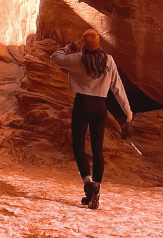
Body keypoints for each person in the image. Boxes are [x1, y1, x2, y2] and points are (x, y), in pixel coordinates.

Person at [50, 28, 133, 209]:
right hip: (100, 106)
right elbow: (117, 87)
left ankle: (88, 184)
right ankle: (96, 189)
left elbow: (55, 57)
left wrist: (72, 46)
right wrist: (127, 110)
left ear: (84, 43)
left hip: (82, 103)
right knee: (97, 150)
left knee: (79, 146)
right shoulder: (108, 60)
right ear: (99, 43)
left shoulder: (78, 57)